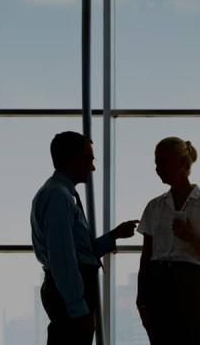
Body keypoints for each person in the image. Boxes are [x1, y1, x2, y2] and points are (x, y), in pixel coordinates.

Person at [30, 131, 138, 345]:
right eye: (88, 158)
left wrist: (113, 236)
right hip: (70, 292)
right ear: (71, 159)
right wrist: (77, 308)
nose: (92, 166)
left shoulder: (59, 193)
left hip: (67, 289)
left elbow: (77, 251)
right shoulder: (59, 196)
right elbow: (63, 258)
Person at [136, 137, 200, 345]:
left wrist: (191, 238)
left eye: (163, 161)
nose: (158, 168)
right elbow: (145, 258)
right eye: (156, 162)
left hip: (190, 286)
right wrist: (141, 300)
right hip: (157, 286)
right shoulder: (154, 206)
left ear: (183, 165)